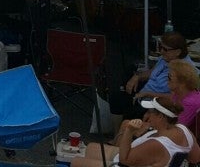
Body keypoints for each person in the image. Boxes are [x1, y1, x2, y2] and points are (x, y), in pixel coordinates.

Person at [72, 96, 200, 167]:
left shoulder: (157, 144)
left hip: (125, 163)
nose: (146, 115)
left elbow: (124, 160)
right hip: (141, 159)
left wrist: (129, 131)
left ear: (161, 117)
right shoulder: (184, 129)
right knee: (90, 148)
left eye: (150, 112)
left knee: (76, 162)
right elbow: (195, 158)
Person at [112, 32, 198, 120]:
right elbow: (153, 72)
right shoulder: (166, 58)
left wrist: (148, 94)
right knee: (117, 95)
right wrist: (137, 76)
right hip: (143, 95)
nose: (161, 51)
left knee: (130, 116)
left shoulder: (183, 70)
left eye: (165, 49)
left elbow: (176, 98)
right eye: (160, 47)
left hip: (158, 104)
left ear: (177, 52)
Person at [167, 58, 200, 128]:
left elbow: (177, 128)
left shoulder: (190, 103)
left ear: (182, 82)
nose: (167, 80)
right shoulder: (177, 94)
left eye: (170, 77)